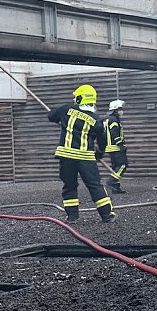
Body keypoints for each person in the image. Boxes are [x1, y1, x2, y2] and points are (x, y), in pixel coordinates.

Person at [47, 84, 117, 224]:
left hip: (66, 157)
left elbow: (51, 116)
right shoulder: (97, 120)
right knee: (95, 185)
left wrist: (60, 119)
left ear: (79, 99)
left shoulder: (66, 109)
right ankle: (106, 215)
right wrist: (100, 153)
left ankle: (72, 217)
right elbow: (102, 141)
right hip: (86, 158)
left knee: (69, 186)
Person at [102, 99, 128, 194]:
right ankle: (111, 182)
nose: (122, 111)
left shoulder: (108, 119)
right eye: (120, 109)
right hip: (115, 148)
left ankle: (115, 188)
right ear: (115, 110)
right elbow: (114, 133)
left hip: (111, 147)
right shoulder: (113, 119)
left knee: (116, 167)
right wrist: (120, 144)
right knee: (123, 165)